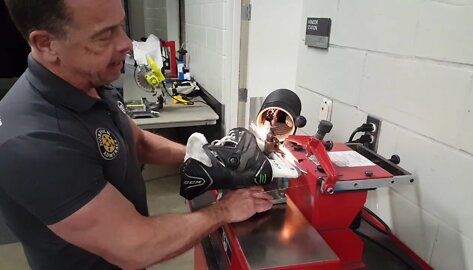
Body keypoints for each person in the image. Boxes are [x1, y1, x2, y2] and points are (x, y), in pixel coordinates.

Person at [0, 0, 274, 269]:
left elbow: (136, 141)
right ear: (47, 44)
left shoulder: (88, 80)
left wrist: (209, 157)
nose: (127, 44)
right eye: (104, 35)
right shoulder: (33, 142)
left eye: (121, 25)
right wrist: (224, 210)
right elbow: (136, 245)